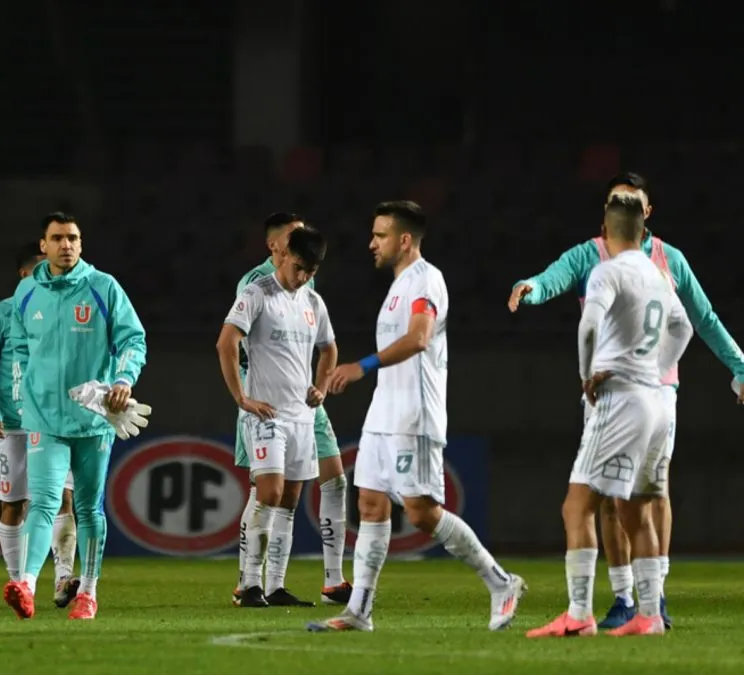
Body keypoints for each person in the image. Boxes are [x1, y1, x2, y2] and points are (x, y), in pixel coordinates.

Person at [509, 172, 744, 629]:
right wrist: (531, 287)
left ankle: (640, 600)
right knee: (627, 499)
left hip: (621, 391)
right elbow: (551, 278)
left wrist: (735, 364)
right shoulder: (595, 255)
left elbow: (704, 317)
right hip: (650, 395)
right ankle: (628, 599)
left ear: (645, 212)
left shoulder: (660, 260)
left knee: (632, 496)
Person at [308, 201, 525, 633]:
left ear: (404, 240)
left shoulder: (427, 280)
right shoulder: (396, 288)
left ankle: (501, 582)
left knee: (423, 513)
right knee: (369, 504)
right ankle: (359, 612)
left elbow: (420, 338)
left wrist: (361, 367)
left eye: (380, 235)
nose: (372, 243)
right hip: (382, 414)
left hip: (414, 415)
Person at [527, 194, 693, 638]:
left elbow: (588, 325)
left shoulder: (607, 271)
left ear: (604, 230)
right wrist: (656, 368)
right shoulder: (658, 273)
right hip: (658, 402)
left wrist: (587, 374)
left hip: (620, 400)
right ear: (644, 232)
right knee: (638, 509)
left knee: (577, 506)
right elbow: (685, 328)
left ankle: (579, 614)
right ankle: (650, 615)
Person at [4, 212, 147, 621]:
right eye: (58, 238)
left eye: (73, 238)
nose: (66, 245)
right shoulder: (26, 291)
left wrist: (122, 379)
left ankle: (88, 592)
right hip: (43, 417)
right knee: (45, 502)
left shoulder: (103, 287)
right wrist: (27, 395)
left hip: (93, 418)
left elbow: (132, 339)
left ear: (81, 245)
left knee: (88, 507)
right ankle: (26, 585)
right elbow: (18, 347)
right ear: (43, 246)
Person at [230, 214, 351, 608]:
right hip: (266, 410)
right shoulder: (255, 288)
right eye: (299, 267)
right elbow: (228, 343)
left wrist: (321, 386)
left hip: (303, 412)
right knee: (268, 491)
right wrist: (243, 398)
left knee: (292, 499)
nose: (303, 275)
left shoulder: (313, 298)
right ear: (278, 249)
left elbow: (329, 347)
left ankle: (277, 585)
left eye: (309, 270)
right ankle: (248, 583)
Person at [0, 242, 79, 607]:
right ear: (24, 276)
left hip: (53, 421)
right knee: (14, 504)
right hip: (13, 426)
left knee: (63, 498)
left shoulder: (62, 312)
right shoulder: (0, 315)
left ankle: (64, 577)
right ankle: (19, 583)